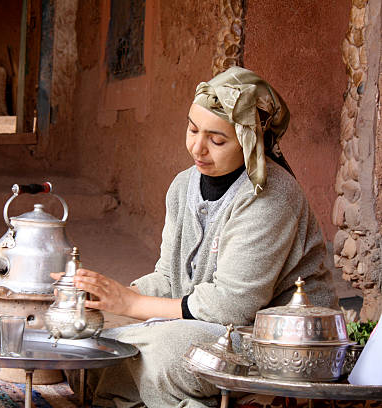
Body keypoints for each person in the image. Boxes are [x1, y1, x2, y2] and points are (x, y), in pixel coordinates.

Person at [62, 67, 337, 407]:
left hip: (275, 341)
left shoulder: (270, 197)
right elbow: (169, 276)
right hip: (205, 326)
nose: (198, 147)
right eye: (192, 129)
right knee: (88, 346)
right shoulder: (182, 187)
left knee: (168, 354)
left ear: (252, 141)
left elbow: (232, 307)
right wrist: (104, 295)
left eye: (217, 140)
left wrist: (130, 305)